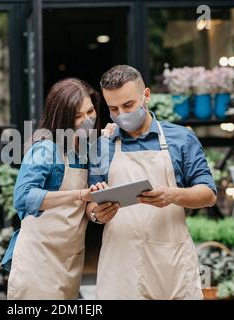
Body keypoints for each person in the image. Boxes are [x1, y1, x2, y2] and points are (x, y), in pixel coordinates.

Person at [88, 65, 217, 300]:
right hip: (120, 266)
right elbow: (91, 204)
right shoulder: (101, 146)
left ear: (146, 95)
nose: (121, 114)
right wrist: (98, 214)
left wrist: (172, 195)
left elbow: (208, 194)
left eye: (128, 105)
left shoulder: (181, 138)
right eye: (113, 108)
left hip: (171, 263)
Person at [1, 78, 107, 299]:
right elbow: (23, 197)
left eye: (90, 111)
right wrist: (79, 194)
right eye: (78, 116)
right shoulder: (46, 148)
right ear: (63, 119)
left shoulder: (88, 148)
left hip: (70, 258)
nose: (87, 120)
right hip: (38, 259)